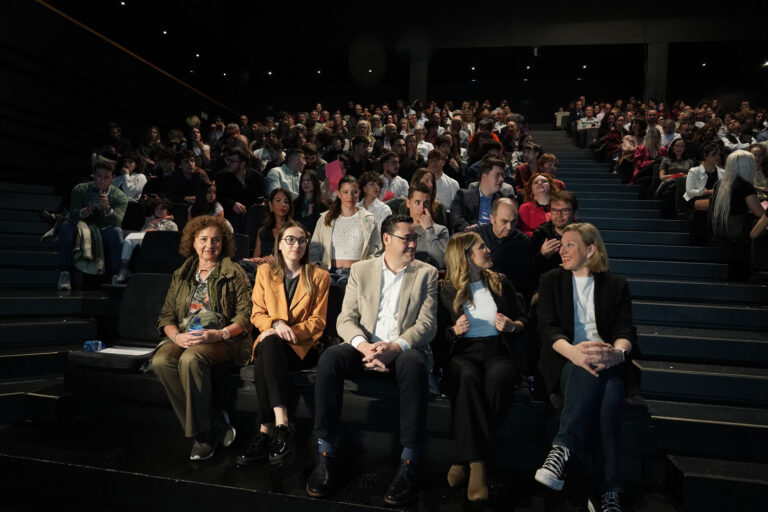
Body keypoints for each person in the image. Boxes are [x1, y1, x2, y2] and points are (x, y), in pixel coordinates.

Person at [306, 214, 438, 506]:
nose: (413, 244)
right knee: (330, 358)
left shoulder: (426, 272)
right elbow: (345, 319)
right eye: (408, 238)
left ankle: (409, 461)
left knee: (414, 364)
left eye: (415, 237)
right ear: (387, 240)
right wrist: (365, 347)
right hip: (365, 345)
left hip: (402, 349)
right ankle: (325, 452)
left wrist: (394, 347)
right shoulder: (362, 270)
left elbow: (427, 325)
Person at [534, 223, 636, 512]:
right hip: (566, 360)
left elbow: (626, 329)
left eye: (570, 245)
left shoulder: (616, 285)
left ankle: (562, 451)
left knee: (609, 387)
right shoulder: (551, 280)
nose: (562, 250)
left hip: (607, 360)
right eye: (561, 244)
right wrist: (575, 353)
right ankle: (608, 491)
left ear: (590, 250)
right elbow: (547, 327)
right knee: (610, 393)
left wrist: (617, 353)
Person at [152, 216, 253, 461]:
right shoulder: (182, 273)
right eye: (204, 239)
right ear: (193, 242)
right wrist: (176, 337)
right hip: (186, 336)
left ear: (224, 244)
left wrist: (220, 333)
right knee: (161, 361)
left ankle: (204, 436)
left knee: (190, 359)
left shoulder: (234, 272)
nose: (210, 245)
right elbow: (166, 316)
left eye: (216, 240)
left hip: (225, 341)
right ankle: (216, 423)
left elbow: (247, 315)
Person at [437, 232, 527, 502]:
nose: (488, 250)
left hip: (498, 349)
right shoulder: (445, 289)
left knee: (498, 377)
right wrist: (453, 330)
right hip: (463, 351)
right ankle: (478, 465)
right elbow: (436, 335)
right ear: (464, 255)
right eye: (481, 247)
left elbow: (525, 318)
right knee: (466, 376)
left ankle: (465, 458)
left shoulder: (500, 282)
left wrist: (513, 326)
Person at [237, 221, 330, 466]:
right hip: (272, 342)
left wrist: (288, 331)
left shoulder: (319, 276)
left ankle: (265, 430)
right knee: (269, 347)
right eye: (290, 239)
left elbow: (318, 322)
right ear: (279, 244)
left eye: (301, 240)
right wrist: (276, 324)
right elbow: (257, 314)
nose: (296, 245)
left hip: (302, 346)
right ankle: (280, 426)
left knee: (268, 349)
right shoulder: (265, 272)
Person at [57, 161, 128, 290]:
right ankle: (64, 272)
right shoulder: (80, 189)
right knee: (66, 226)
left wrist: (107, 209)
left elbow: (118, 221)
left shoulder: (120, 196)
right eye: (99, 176)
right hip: (82, 229)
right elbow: (73, 214)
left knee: (116, 232)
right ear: (93, 176)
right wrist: (88, 209)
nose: (102, 180)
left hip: (103, 231)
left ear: (113, 179)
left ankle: (117, 274)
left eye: (106, 177)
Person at [309, 175, 381, 286]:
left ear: (359, 193)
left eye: (354, 192)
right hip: (329, 272)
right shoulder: (325, 219)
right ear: (339, 193)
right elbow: (315, 247)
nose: (350, 196)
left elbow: (377, 250)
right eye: (345, 192)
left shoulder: (369, 220)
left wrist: (366, 270)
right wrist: (317, 267)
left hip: (357, 275)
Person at [469, 198, 531, 295]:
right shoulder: (475, 236)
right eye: (504, 222)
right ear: (492, 218)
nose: (509, 227)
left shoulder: (523, 241)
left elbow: (525, 279)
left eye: (513, 222)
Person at [114, 197, 178, 284]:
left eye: (162, 209)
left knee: (130, 237)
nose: (159, 211)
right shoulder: (149, 220)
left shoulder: (171, 224)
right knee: (128, 240)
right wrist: (152, 223)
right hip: (146, 241)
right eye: (157, 208)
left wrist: (156, 227)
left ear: (167, 211)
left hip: (159, 244)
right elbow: (142, 233)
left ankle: (124, 270)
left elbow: (172, 239)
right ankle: (124, 269)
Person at [451, 158, 516, 233]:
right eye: (498, 175)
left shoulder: (504, 200)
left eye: (503, 176)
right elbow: (456, 219)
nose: (501, 179)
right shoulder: (463, 195)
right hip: (469, 238)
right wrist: (469, 228)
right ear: (484, 176)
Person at [530, 190, 578, 290]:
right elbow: (530, 271)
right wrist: (542, 256)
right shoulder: (540, 233)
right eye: (554, 210)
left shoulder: (584, 233)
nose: (559, 215)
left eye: (565, 211)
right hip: (547, 287)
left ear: (574, 212)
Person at [711, 150, 764, 240]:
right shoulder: (745, 186)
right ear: (748, 166)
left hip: (720, 228)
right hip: (738, 230)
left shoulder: (719, 184)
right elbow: (759, 213)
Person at [215, 147, 265, 232]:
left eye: (232, 161)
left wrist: (261, 205)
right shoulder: (221, 176)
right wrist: (232, 204)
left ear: (243, 163)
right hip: (230, 213)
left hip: (252, 213)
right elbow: (218, 197)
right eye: (228, 160)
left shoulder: (256, 176)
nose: (228, 163)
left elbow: (261, 197)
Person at [405, 183, 449, 269]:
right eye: (417, 202)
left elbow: (441, 263)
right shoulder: (398, 229)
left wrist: (429, 230)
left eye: (426, 204)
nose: (422, 209)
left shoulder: (441, 230)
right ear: (408, 203)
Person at [253, 188, 294, 263]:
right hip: (264, 270)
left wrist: (276, 261)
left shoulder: (295, 230)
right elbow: (255, 258)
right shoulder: (262, 231)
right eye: (278, 200)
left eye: (286, 202)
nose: (283, 204)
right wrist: (263, 260)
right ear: (270, 205)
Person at [293, 170, 327, 235]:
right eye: (303, 180)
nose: (305, 182)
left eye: (309, 180)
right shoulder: (294, 204)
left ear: (315, 182)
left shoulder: (323, 206)